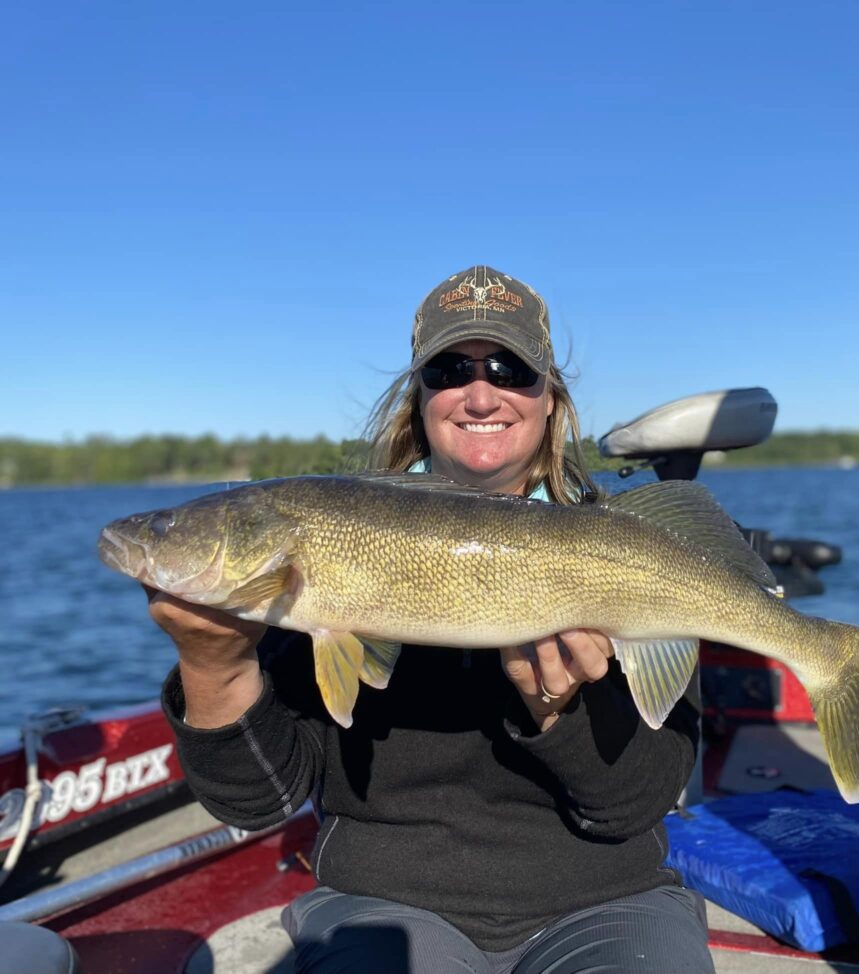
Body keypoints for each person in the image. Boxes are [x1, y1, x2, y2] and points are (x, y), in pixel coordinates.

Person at [148, 265, 714, 974]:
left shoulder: (627, 547)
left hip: (607, 898)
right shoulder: (323, 543)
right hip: (384, 903)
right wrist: (215, 663)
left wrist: (557, 716)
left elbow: (634, 806)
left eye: (511, 369)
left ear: (550, 399)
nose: (481, 393)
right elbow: (260, 802)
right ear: (420, 399)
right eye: (450, 370)